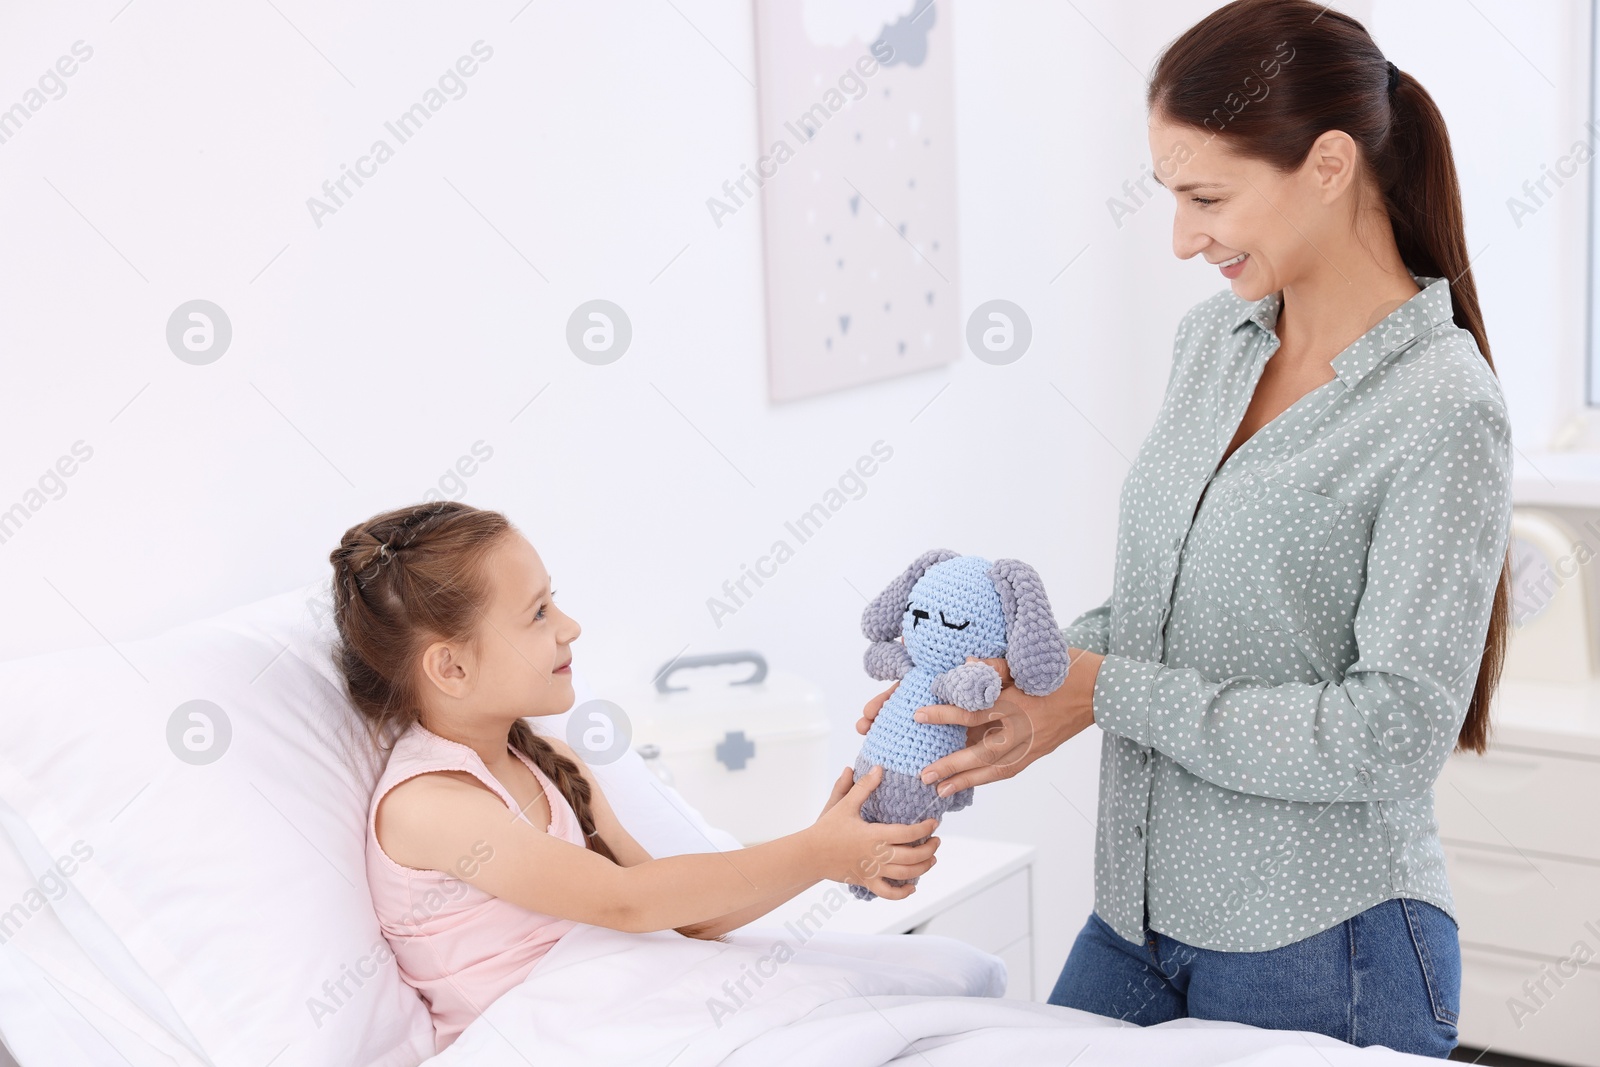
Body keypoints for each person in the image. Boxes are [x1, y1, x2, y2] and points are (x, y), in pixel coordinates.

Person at [858, 0, 1512, 1056]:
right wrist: (1025, 685)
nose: (1179, 237)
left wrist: (1102, 691)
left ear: (1330, 164)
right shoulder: (1215, 341)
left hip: (1323, 940)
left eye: (1206, 196)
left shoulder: (1441, 408)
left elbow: (1388, 733)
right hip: (1135, 918)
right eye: (1171, 196)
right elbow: (1168, 602)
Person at [331, 500, 940, 1052]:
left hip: (621, 1001)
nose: (569, 626)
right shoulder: (432, 805)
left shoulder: (549, 763)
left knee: (902, 997)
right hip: (541, 1039)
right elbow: (623, 903)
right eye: (538, 613)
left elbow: (685, 915)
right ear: (452, 667)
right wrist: (814, 853)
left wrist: (828, 849)